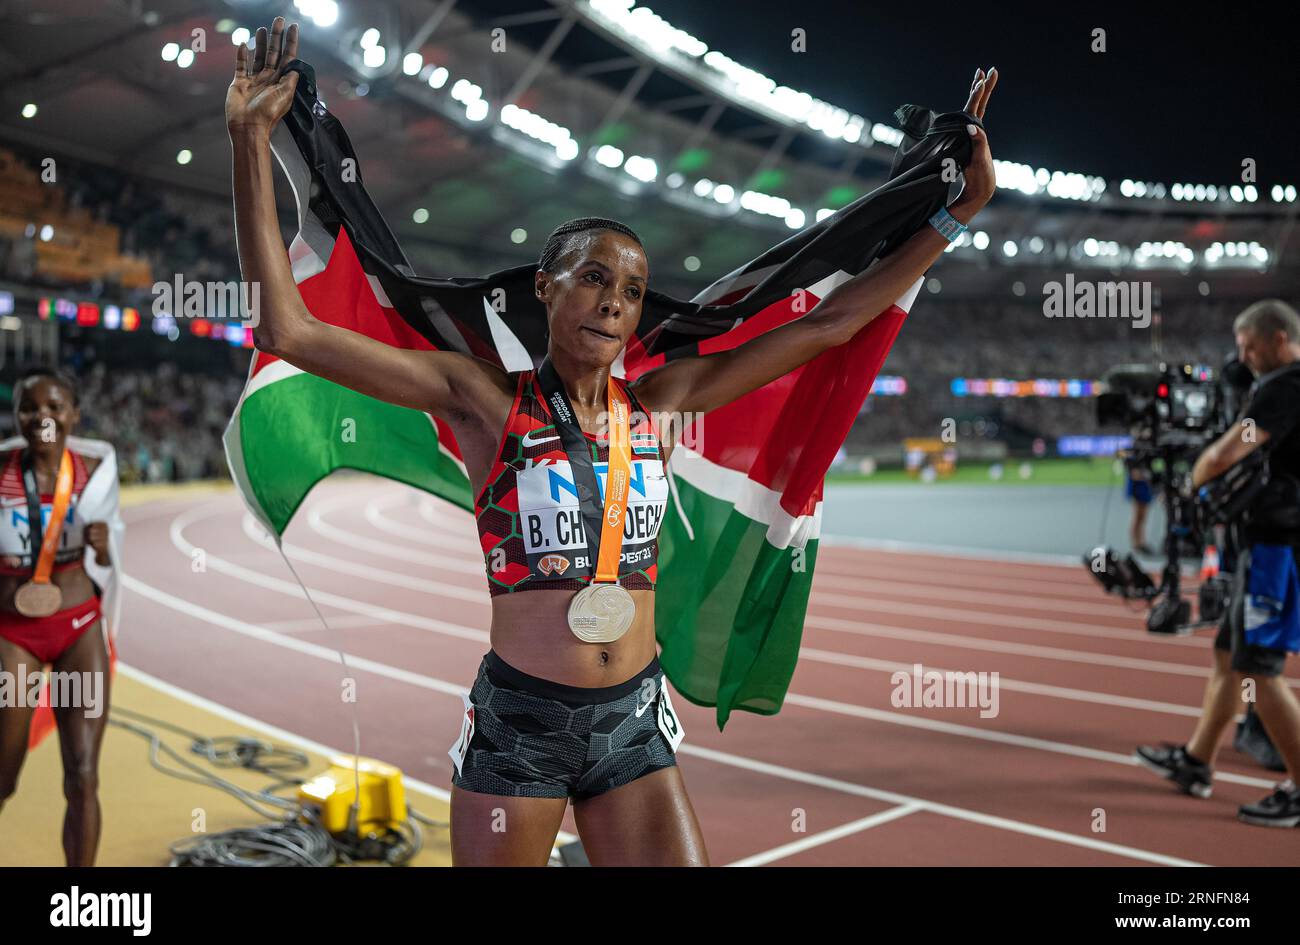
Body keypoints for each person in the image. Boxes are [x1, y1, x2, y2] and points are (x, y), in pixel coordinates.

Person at [226, 16, 998, 864]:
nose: (611, 302)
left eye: (631, 291)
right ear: (547, 288)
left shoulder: (663, 400)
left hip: (634, 721)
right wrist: (249, 140)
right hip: (520, 727)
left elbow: (834, 322)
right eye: (592, 278)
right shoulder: (480, 397)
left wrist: (957, 216)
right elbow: (289, 328)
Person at [1136, 300, 1300, 826]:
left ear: (1279, 339)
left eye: (1250, 345)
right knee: (1230, 656)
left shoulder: (1286, 386)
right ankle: (1197, 761)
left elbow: (1230, 450)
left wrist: (1194, 480)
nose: (1243, 356)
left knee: (1259, 667)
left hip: (1278, 547)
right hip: (1269, 542)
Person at [0, 369, 116, 864]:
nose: (42, 416)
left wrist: (106, 551)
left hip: (77, 629)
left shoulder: (95, 470)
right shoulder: (1, 470)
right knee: (3, 772)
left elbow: (111, 565)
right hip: (14, 635)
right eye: (30, 407)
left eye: (54, 407)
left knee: (84, 774)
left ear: (73, 415)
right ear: (16, 416)